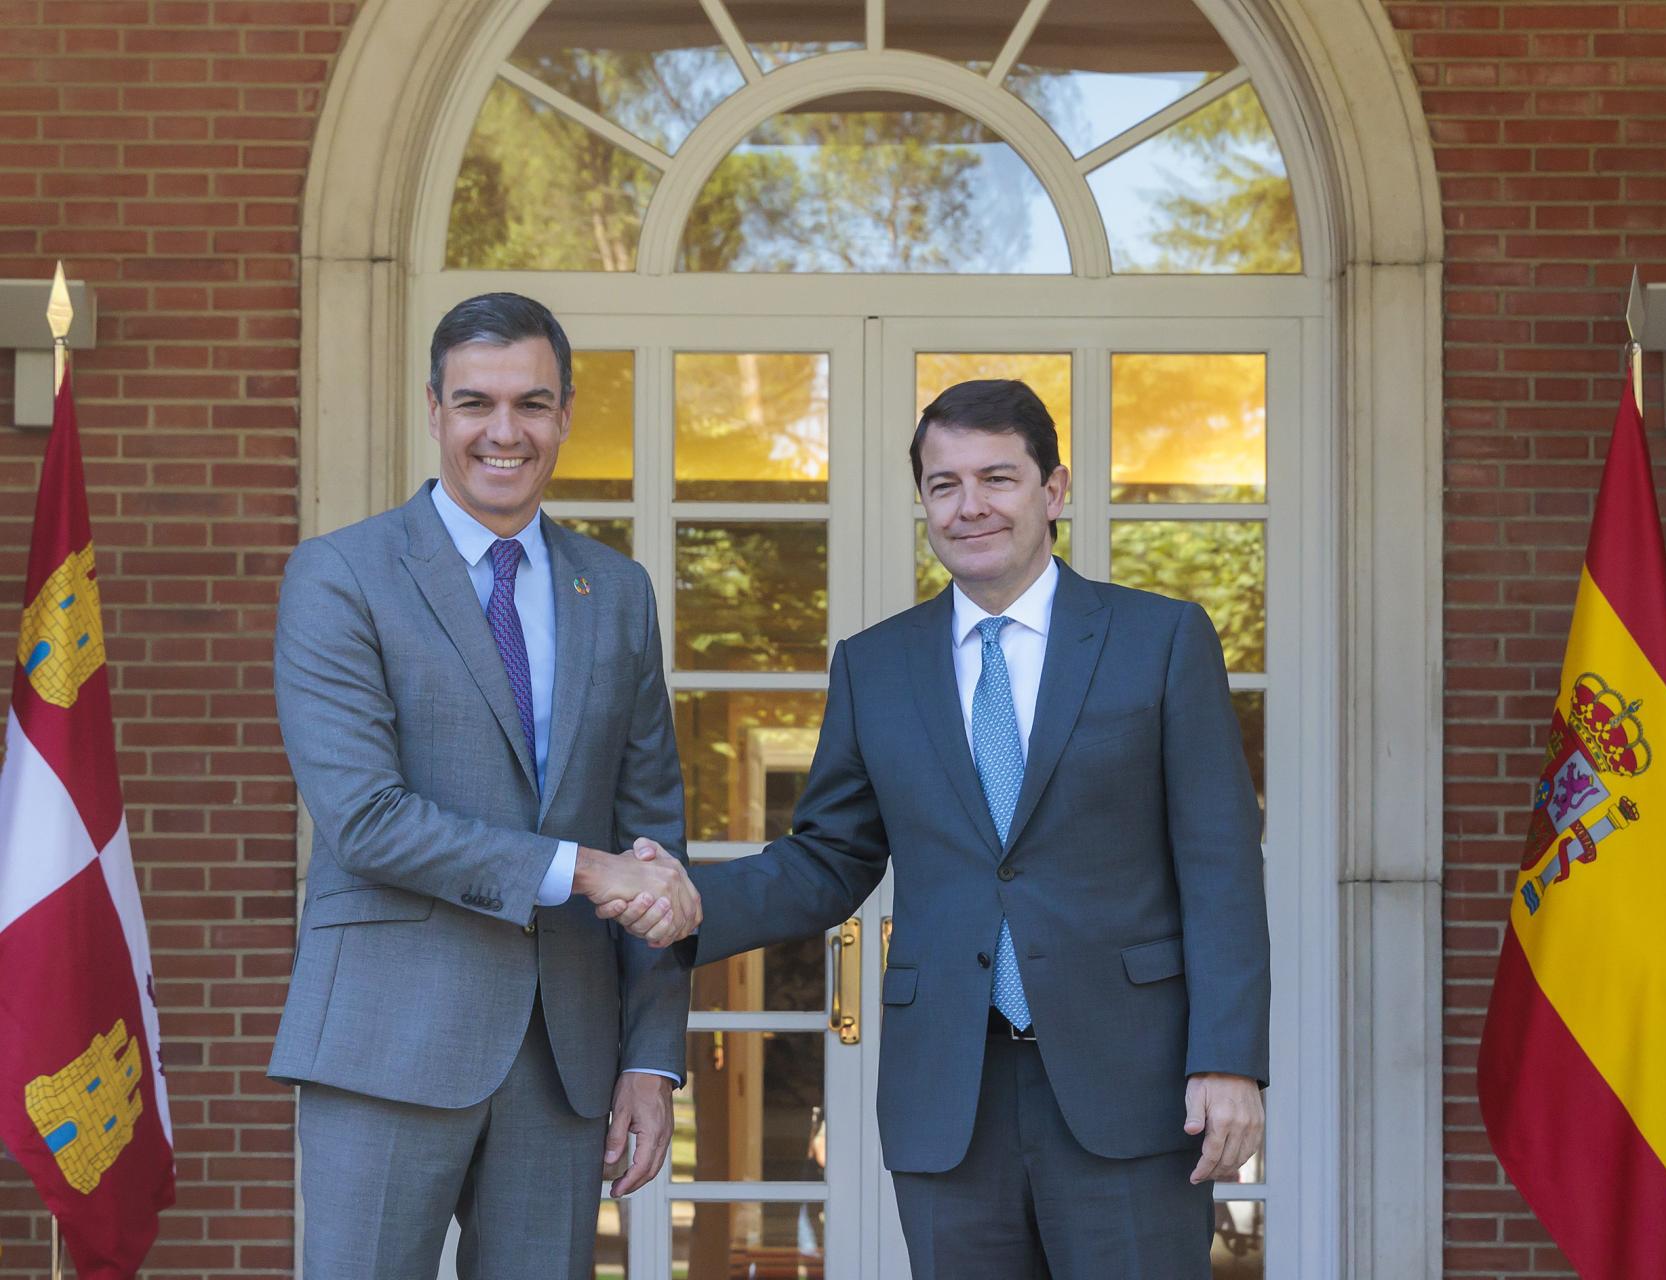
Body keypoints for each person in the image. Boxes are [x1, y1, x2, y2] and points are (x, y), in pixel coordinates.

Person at [609, 378, 1269, 1279]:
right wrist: (688, 904)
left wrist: (1228, 1060)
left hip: (1132, 1084)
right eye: (944, 484)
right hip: (949, 1094)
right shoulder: (877, 666)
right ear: (922, 500)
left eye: (997, 478)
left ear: (1055, 489)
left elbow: (1220, 866)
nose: (970, 507)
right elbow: (829, 858)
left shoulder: (1159, 641)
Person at [269, 292, 701, 1279]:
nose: (504, 432)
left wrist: (649, 1055)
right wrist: (582, 869)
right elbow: (366, 819)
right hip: (387, 1036)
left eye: (532, 403)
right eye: (475, 403)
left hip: (564, 1056)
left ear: (565, 413)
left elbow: (652, 832)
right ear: (433, 409)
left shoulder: (615, 589)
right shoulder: (341, 576)